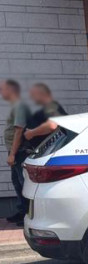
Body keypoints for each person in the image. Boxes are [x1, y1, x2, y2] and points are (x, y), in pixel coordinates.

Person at [3, 80, 31, 224]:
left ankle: (28, 215)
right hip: (15, 152)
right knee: (17, 182)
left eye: (3, 89)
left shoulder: (20, 106)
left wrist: (13, 154)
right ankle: (22, 211)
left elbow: (19, 130)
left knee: (23, 182)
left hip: (20, 152)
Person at [23, 83, 67, 151]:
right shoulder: (48, 107)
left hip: (54, 151)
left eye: (33, 95)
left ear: (41, 94)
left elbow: (52, 125)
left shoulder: (51, 106)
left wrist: (31, 133)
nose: (31, 97)